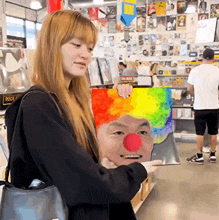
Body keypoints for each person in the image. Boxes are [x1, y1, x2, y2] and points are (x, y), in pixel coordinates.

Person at [5, 10, 162, 220]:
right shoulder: (39, 104)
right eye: (76, 45)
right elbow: (80, 179)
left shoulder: (73, 100)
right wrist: (135, 172)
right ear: (52, 45)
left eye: (89, 48)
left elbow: (89, 162)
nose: (85, 54)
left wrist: (123, 102)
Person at [186, 48, 219, 164]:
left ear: (202, 58)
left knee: (199, 132)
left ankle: (199, 156)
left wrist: (196, 94)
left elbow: (189, 88)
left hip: (200, 106)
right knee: (213, 132)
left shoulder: (195, 71)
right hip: (214, 106)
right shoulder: (218, 71)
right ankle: (213, 155)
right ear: (214, 59)